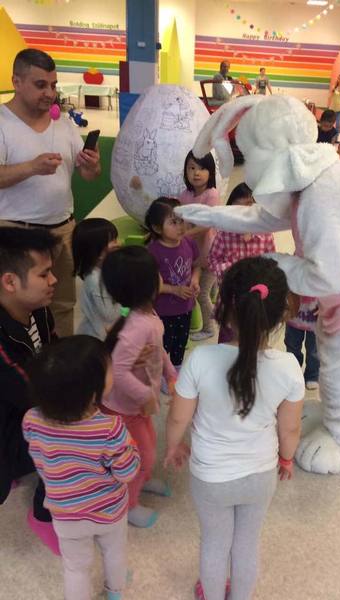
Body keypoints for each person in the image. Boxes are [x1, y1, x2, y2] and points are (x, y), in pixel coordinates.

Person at [177, 94, 340, 475]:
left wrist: (273, 262)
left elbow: (328, 275)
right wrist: (212, 215)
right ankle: (335, 417)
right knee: (333, 349)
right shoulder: (313, 179)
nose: (248, 167)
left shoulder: (325, 193)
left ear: (273, 149)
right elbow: (263, 218)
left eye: (250, 155)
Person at [164, 256, 304, 600]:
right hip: (260, 476)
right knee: (247, 544)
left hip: (211, 477)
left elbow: (178, 417)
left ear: (224, 307)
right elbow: (289, 431)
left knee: (215, 542)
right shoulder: (289, 367)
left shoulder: (200, 359)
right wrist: (286, 459)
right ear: (281, 315)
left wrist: (173, 445)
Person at [23, 336, 140, 600]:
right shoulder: (111, 428)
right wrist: (131, 449)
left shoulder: (31, 419)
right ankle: (115, 592)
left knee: (75, 568)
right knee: (114, 553)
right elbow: (127, 472)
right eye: (109, 368)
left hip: (66, 513)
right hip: (109, 511)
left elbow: (38, 455)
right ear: (92, 392)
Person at [0, 49, 101, 338]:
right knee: (15, 308)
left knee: (62, 304)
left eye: (53, 85)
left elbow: (89, 175)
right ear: (17, 82)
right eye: (40, 85)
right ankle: (21, 360)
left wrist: (92, 165)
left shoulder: (64, 123)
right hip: (16, 232)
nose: (50, 93)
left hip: (63, 230)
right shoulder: (3, 123)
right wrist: (31, 167)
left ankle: (60, 359)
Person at [101, 246, 177, 528]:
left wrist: (170, 373)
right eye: (156, 272)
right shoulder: (137, 327)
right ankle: (129, 505)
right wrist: (146, 396)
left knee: (150, 445)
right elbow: (118, 371)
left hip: (137, 406)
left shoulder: (148, 316)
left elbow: (158, 350)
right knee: (139, 455)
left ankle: (143, 479)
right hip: (122, 409)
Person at [0, 227, 62, 553]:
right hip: (10, 419)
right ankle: (42, 515)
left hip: (23, 402)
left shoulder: (38, 307)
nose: (54, 280)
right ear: (10, 282)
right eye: (44, 273)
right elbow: (28, 391)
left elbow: (55, 351)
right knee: (68, 434)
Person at [208, 183, 275, 342]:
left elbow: (272, 265)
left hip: (256, 304)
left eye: (249, 207)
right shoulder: (224, 234)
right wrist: (230, 268)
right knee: (227, 343)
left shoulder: (265, 235)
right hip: (230, 303)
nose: (243, 213)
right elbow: (212, 260)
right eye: (238, 208)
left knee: (255, 343)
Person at [146, 197, 201, 367]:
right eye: (173, 222)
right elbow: (153, 284)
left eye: (181, 220)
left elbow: (197, 265)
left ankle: (176, 369)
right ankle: (161, 372)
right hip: (163, 310)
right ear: (157, 228)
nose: (180, 226)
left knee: (180, 343)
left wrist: (195, 280)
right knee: (163, 346)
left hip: (186, 306)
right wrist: (175, 290)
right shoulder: (153, 251)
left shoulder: (189, 242)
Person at [179, 150, 220, 341]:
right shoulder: (185, 195)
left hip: (210, 253)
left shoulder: (211, 194)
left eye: (202, 168)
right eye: (192, 168)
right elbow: (180, 217)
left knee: (201, 294)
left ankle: (209, 328)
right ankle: (215, 289)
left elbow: (207, 224)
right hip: (192, 253)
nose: (196, 173)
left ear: (210, 172)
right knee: (203, 287)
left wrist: (184, 234)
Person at [72, 218, 121, 340]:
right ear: (97, 251)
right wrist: (128, 305)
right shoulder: (94, 280)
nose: (118, 244)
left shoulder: (104, 270)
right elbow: (109, 314)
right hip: (98, 336)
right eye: (112, 240)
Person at [285, 294, 320, 391]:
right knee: (292, 347)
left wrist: (327, 305)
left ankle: (312, 375)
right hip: (294, 312)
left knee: (314, 350)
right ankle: (293, 373)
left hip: (317, 314)